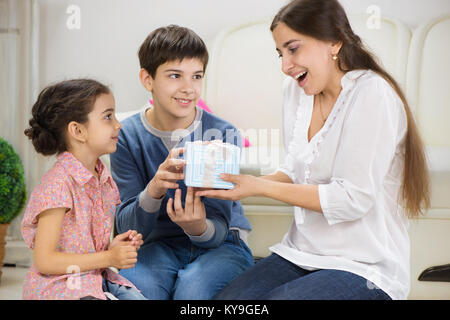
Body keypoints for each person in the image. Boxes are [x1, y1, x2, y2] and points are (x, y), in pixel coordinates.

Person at [198, 0, 430, 300]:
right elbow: (296, 173)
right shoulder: (295, 92)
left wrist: (258, 187)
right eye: (280, 53)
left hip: (363, 266)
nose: (285, 66)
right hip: (301, 253)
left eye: (293, 49)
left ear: (334, 41)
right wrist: (236, 183)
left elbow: (351, 199)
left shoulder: (372, 95)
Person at [109, 25, 253, 300]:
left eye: (196, 76)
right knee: (134, 293)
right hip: (154, 245)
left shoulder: (223, 135)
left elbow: (218, 229)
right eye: (175, 76)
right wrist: (153, 190)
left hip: (222, 244)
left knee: (192, 294)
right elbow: (127, 228)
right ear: (147, 79)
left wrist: (195, 226)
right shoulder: (125, 136)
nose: (189, 89)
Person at [22, 79, 147, 300]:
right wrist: (109, 257)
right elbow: (45, 261)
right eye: (108, 117)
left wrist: (113, 247)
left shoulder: (101, 177)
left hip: (94, 278)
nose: (118, 124)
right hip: (61, 286)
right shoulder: (58, 184)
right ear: (78, 130)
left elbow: (81, 244)